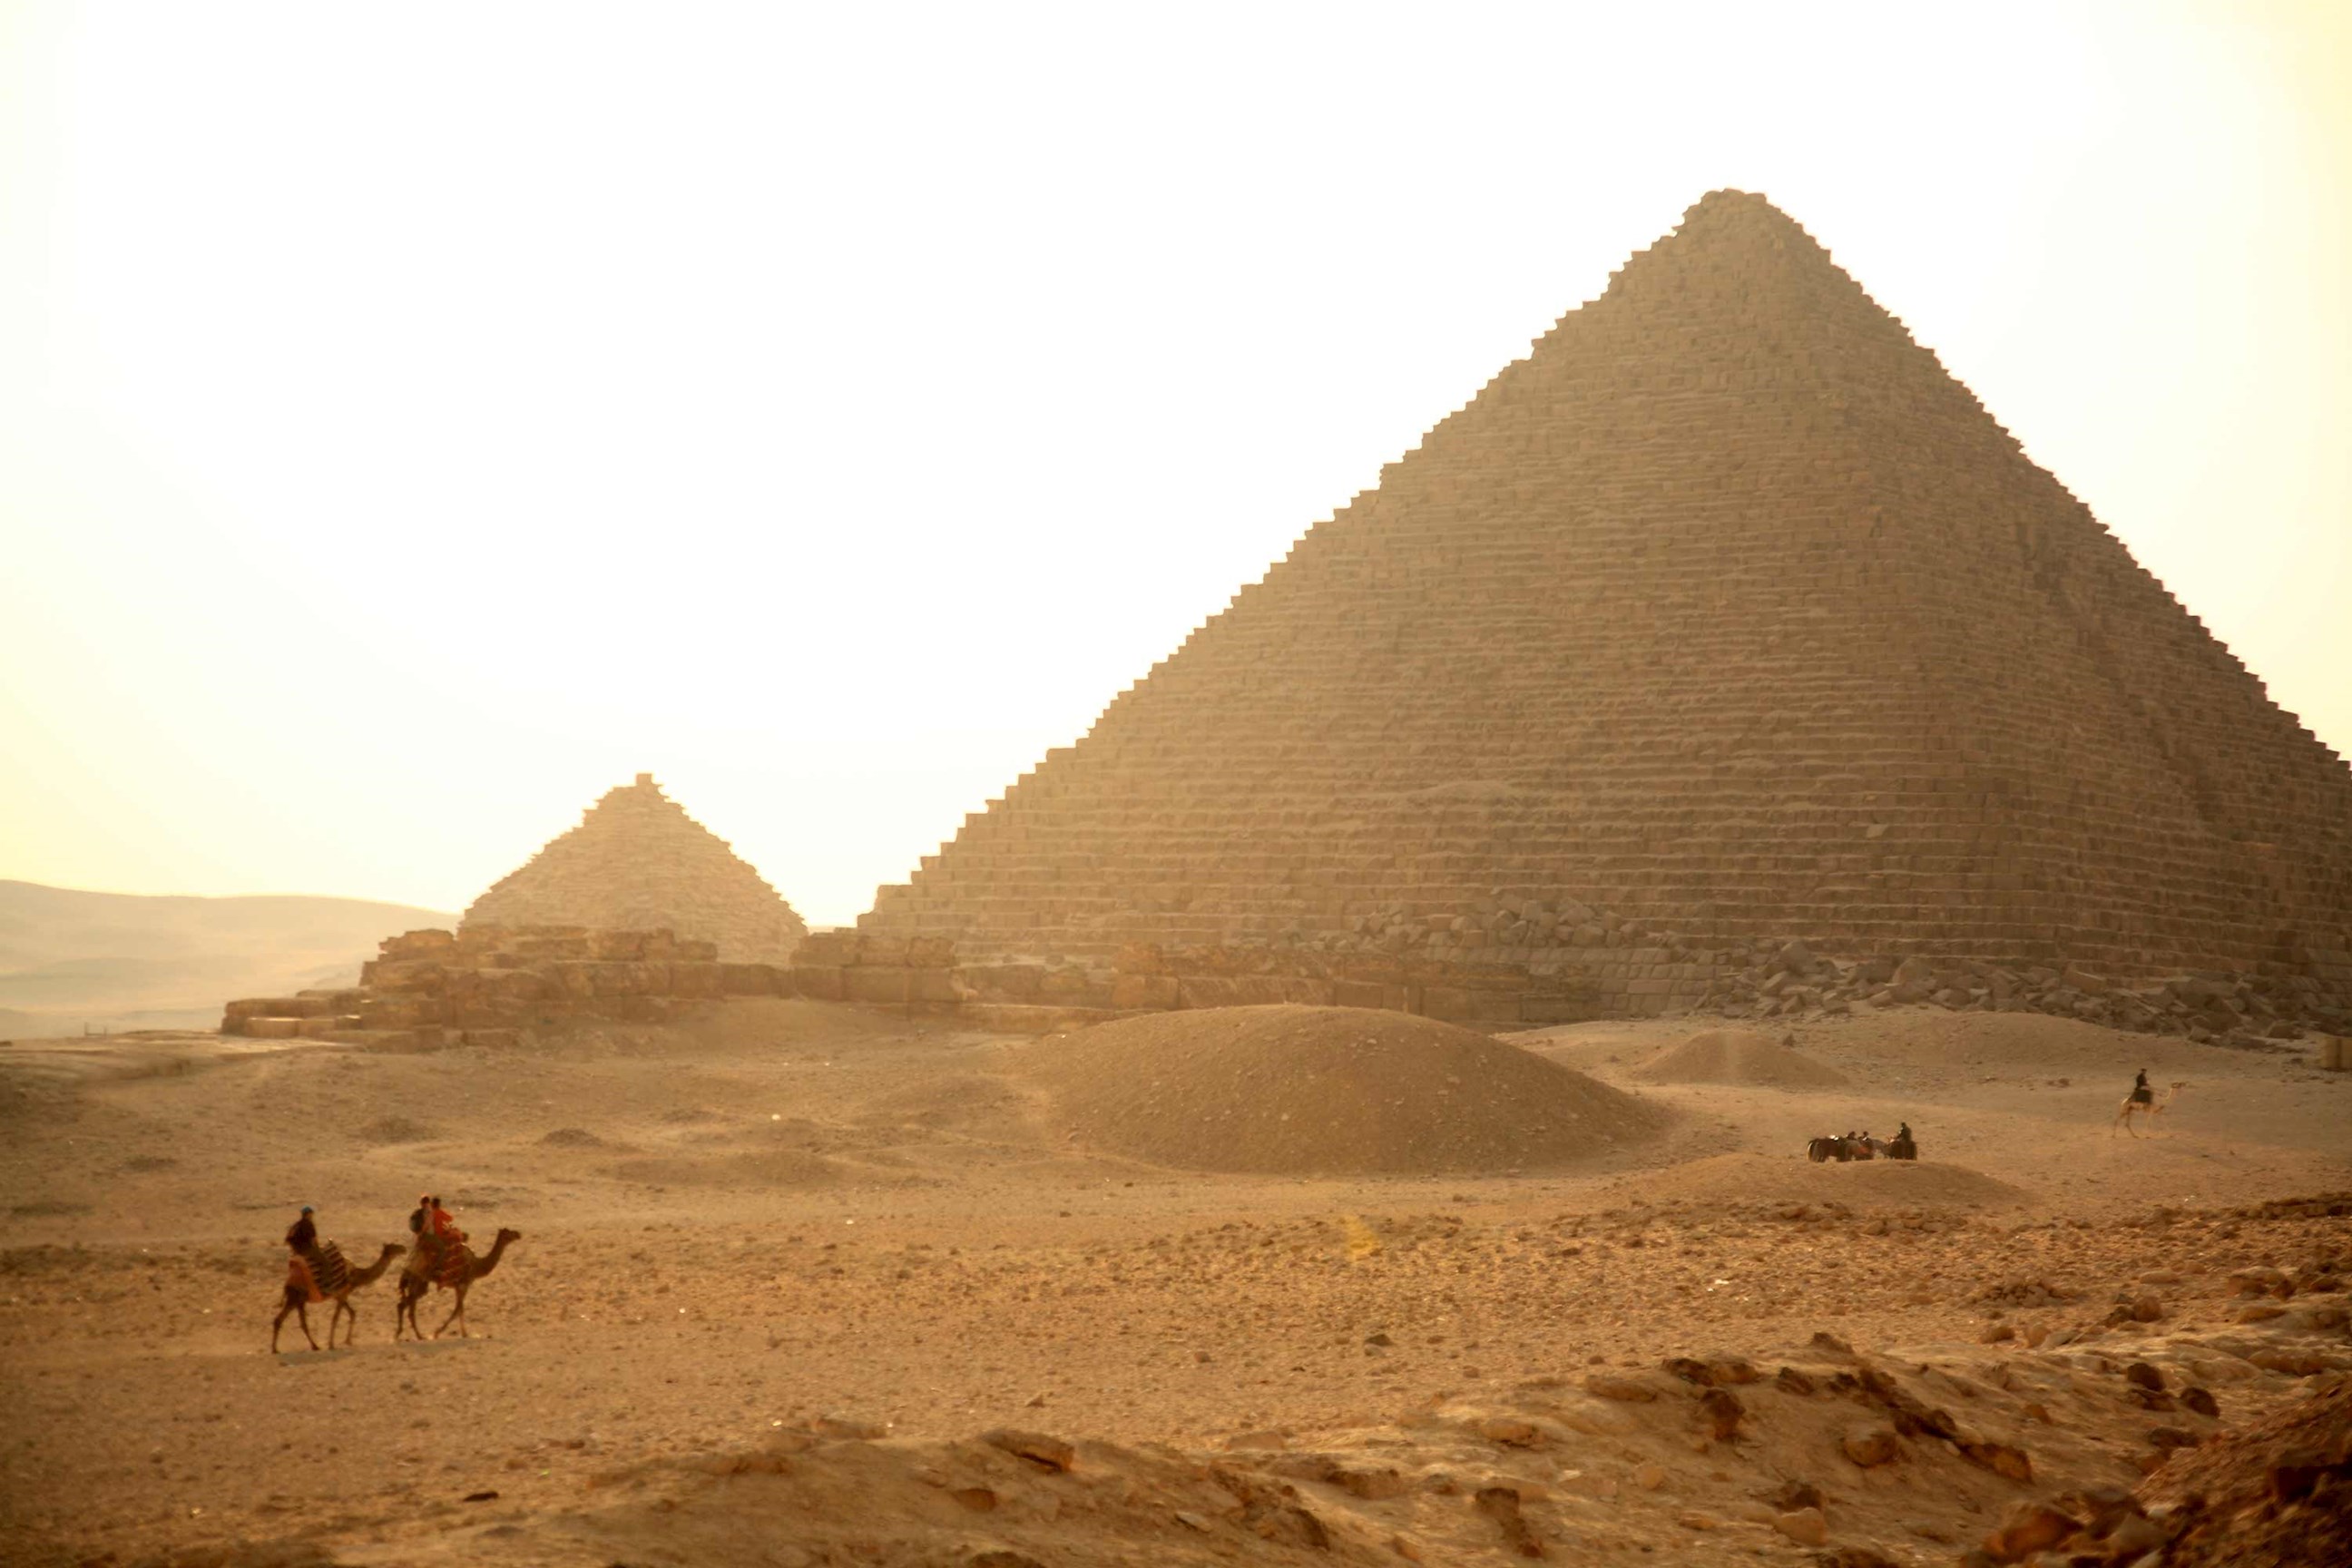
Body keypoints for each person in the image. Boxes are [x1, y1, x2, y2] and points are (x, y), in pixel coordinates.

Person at [285, 1205, 321, 1299]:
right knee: (325, 1262)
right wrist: (317, 1249)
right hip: (307, 1250)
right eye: (311, 1214)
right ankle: (327, 1283)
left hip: (297, 1252)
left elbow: (287, 1240)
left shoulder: (296, 1225)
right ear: (308, 1214)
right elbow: (314, 1240)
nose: (312, 1216)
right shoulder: (309, 1224)